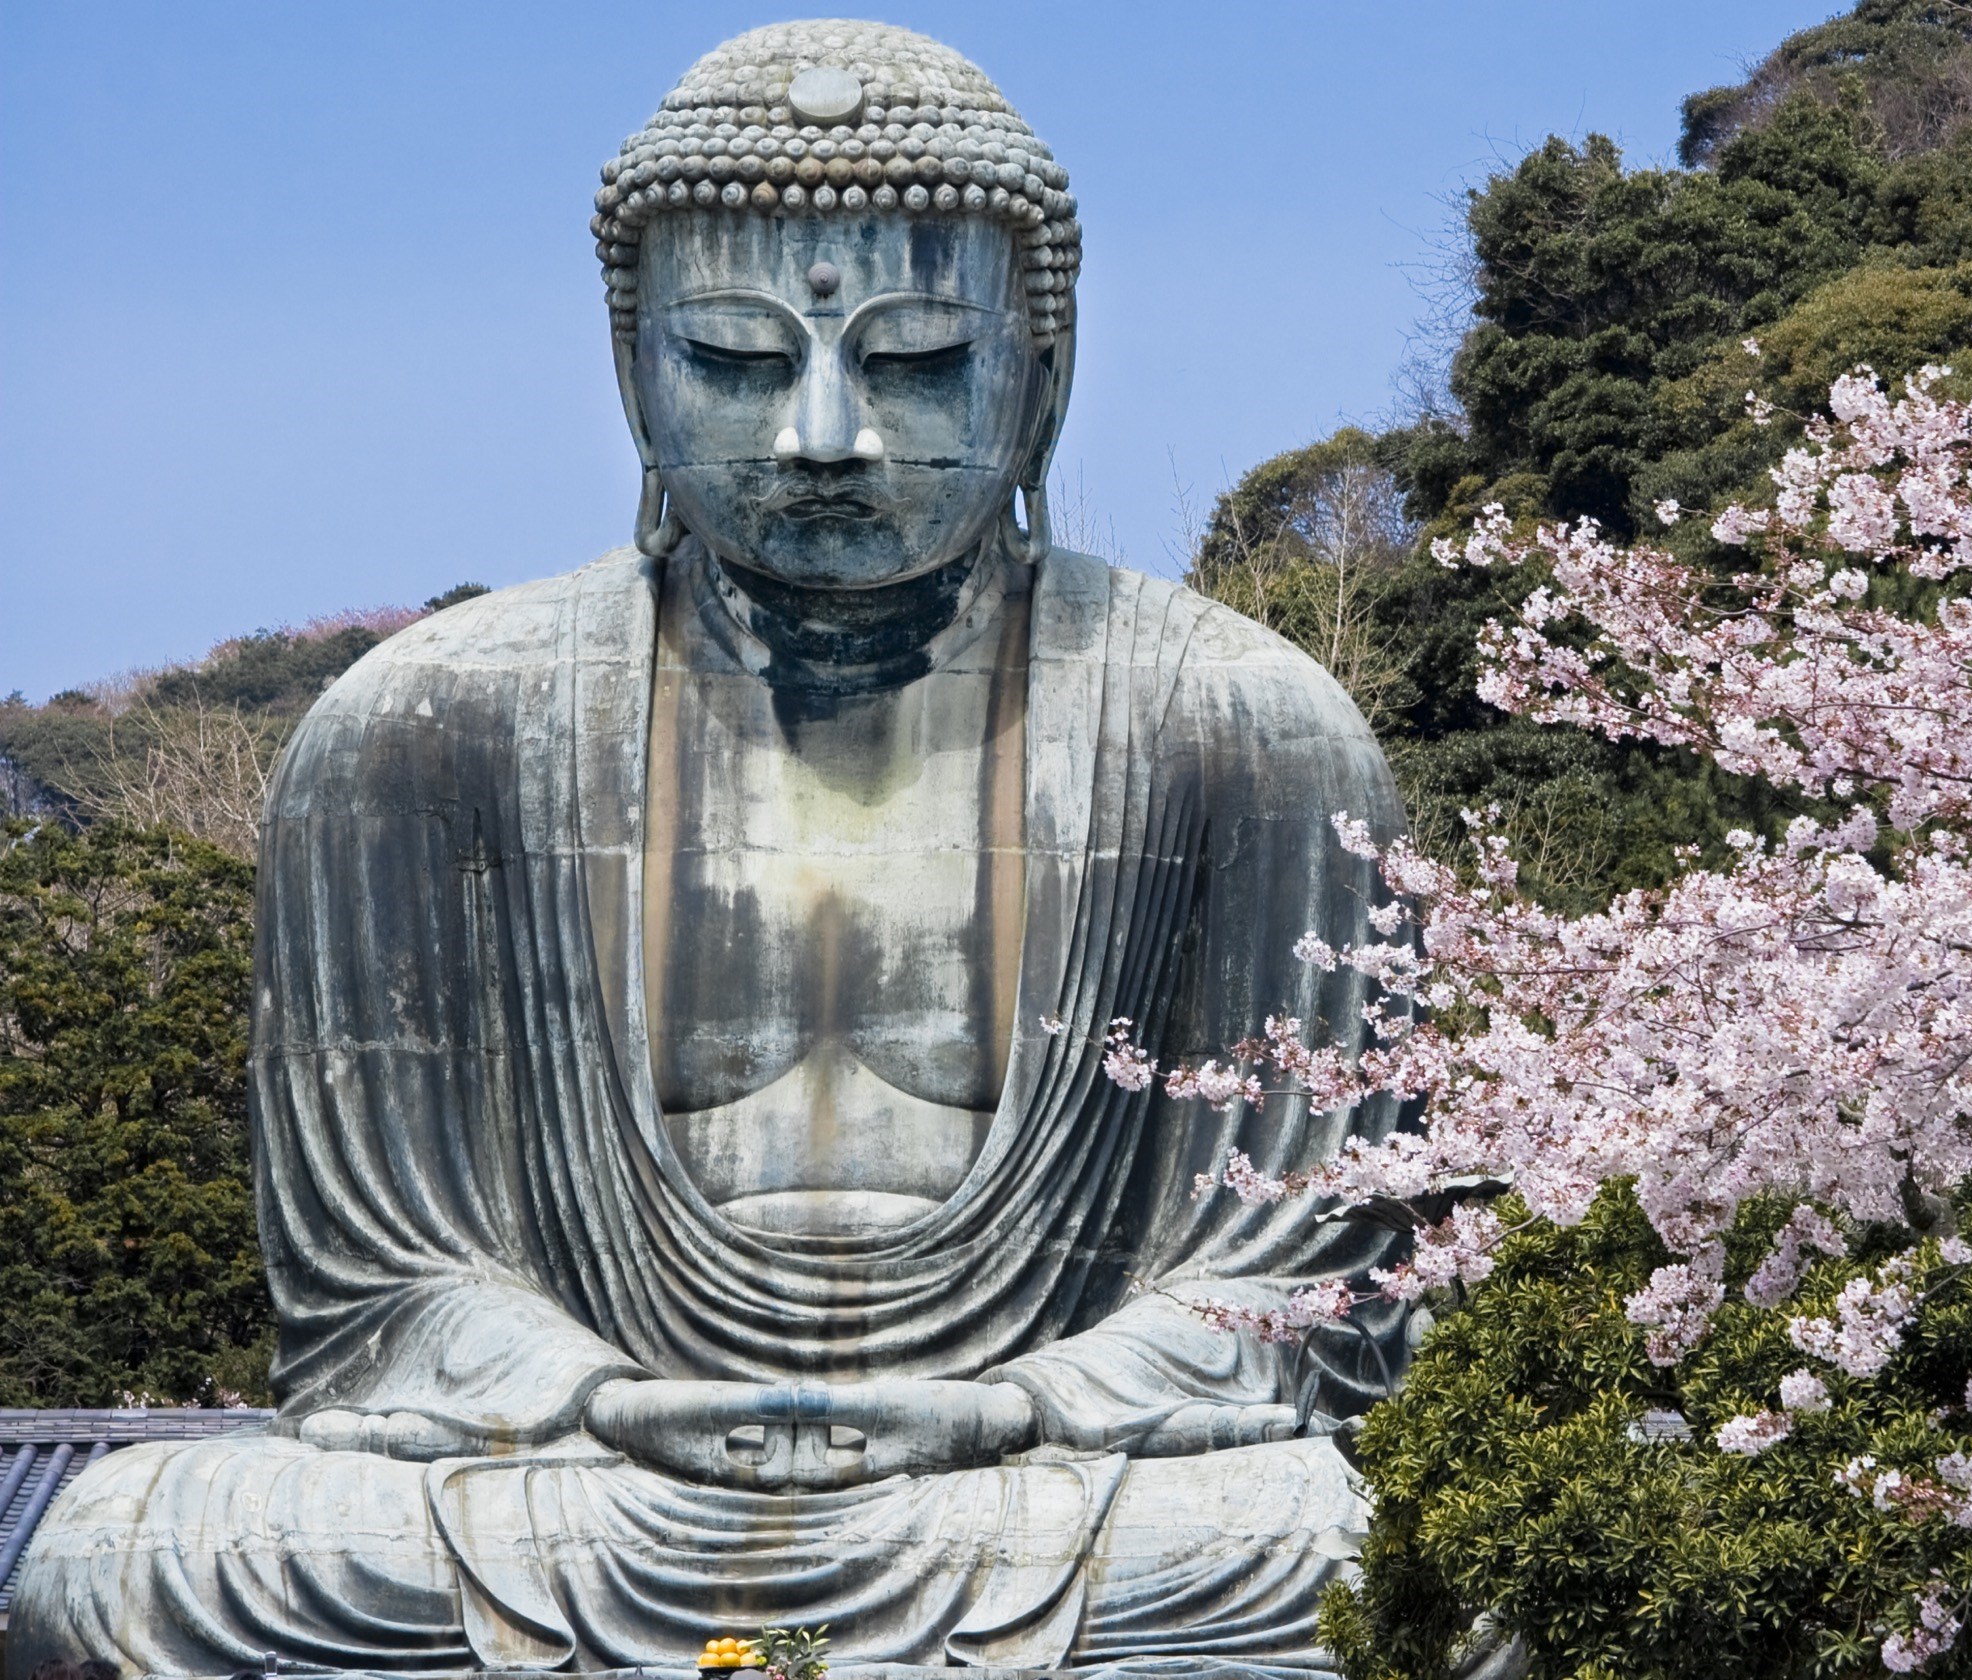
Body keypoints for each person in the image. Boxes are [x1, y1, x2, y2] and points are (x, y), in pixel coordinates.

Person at [10, 22, 1405, 1677]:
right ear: (631, 370)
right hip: (587, 1483)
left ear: (1043, 367)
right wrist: (606, 1397)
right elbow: (381, 1284)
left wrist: (1015, 1406)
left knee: (1365, 1546)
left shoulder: (1242, 729)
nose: (824, 436)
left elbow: (1294, 1282)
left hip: (1054, 1485)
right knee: (125, 1554)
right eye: (739, 363)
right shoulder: (423, 730)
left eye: (918, 361)